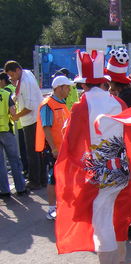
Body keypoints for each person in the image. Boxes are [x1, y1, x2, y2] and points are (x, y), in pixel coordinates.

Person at [55, 49, 131, 264]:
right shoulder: (117, 101)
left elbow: (72, 142)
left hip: (99, 173)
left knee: (102, 219)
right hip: (120, 167)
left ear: (83, 83)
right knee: (117, 216)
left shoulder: (82, 106)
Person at [106, 48, 131, 239]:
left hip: (128, 146)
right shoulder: (129, 94)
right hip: (130, 144)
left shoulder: (125, 97)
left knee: (128, 187)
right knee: (128, 185)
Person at [35, 75, 72, 219]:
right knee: (53, 178)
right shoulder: (48, 104)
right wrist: (53, 148)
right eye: (67, 87)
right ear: (60, 88)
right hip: (53, 149)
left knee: (62, 177)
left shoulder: (61, 103)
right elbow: (46, 127)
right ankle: (51, 209)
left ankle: (62, 205)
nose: (69, 90)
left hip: (62, 148)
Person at [4, 60, 44, 190]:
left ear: (17, 70)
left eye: (12, 75)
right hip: (35, 118)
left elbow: (29, 107)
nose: (11, 78)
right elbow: (20, 94)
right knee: (38, 151)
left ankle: (34, 181)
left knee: (32, 152)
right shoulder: (26, 74)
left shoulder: (25, 82)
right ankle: (41, 179)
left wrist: (16, 116)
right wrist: (14, 98)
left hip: (31, 120)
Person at [0, 77, 26, 198]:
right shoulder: (6, 94)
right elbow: (13, 113)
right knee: (14, 160)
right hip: (7, 130)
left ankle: (4, 191)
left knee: (0, 163)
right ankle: (20, 188)